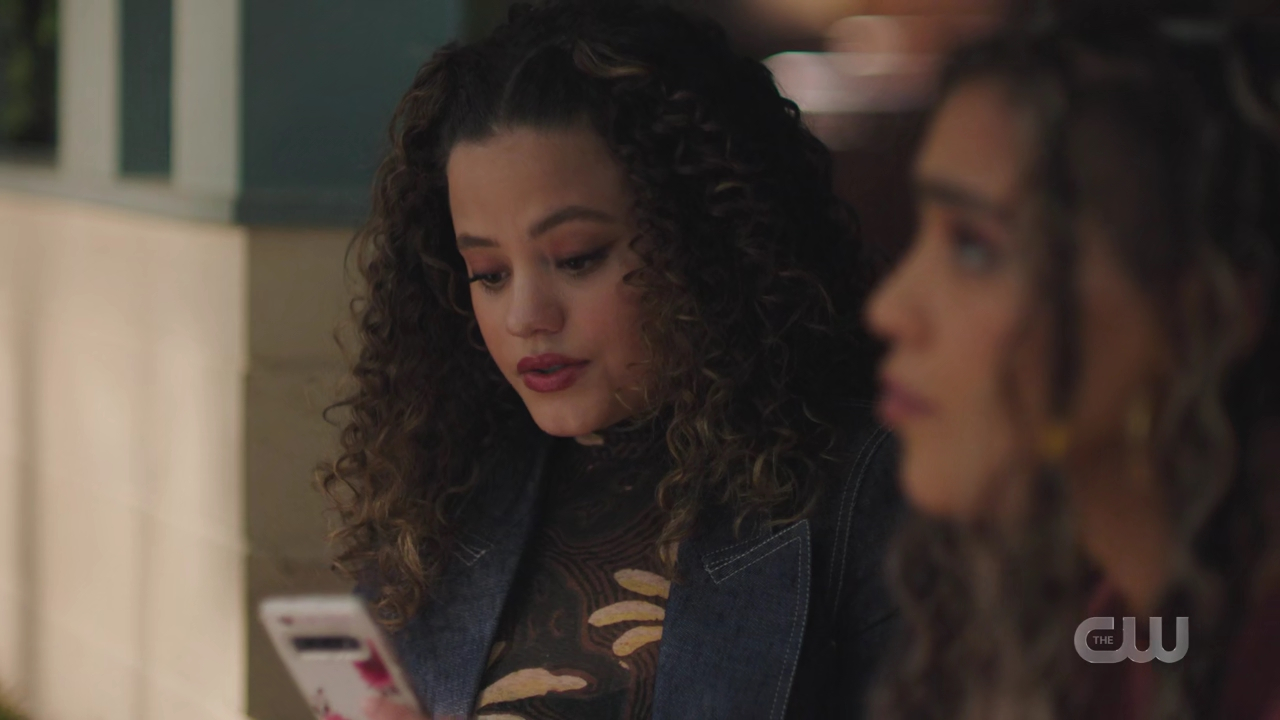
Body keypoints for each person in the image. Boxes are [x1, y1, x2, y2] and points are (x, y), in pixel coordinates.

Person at [317, 2, 903, 718]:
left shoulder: (863, 491)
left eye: (576, 258)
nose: (526, 317)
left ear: (708, 242)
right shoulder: (443, 490)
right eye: (489, 274)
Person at [865, 4, 1280, 719]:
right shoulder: (1090, 619)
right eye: (921, 237)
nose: (889, 309)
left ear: (1200, 316)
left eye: (974, 247)